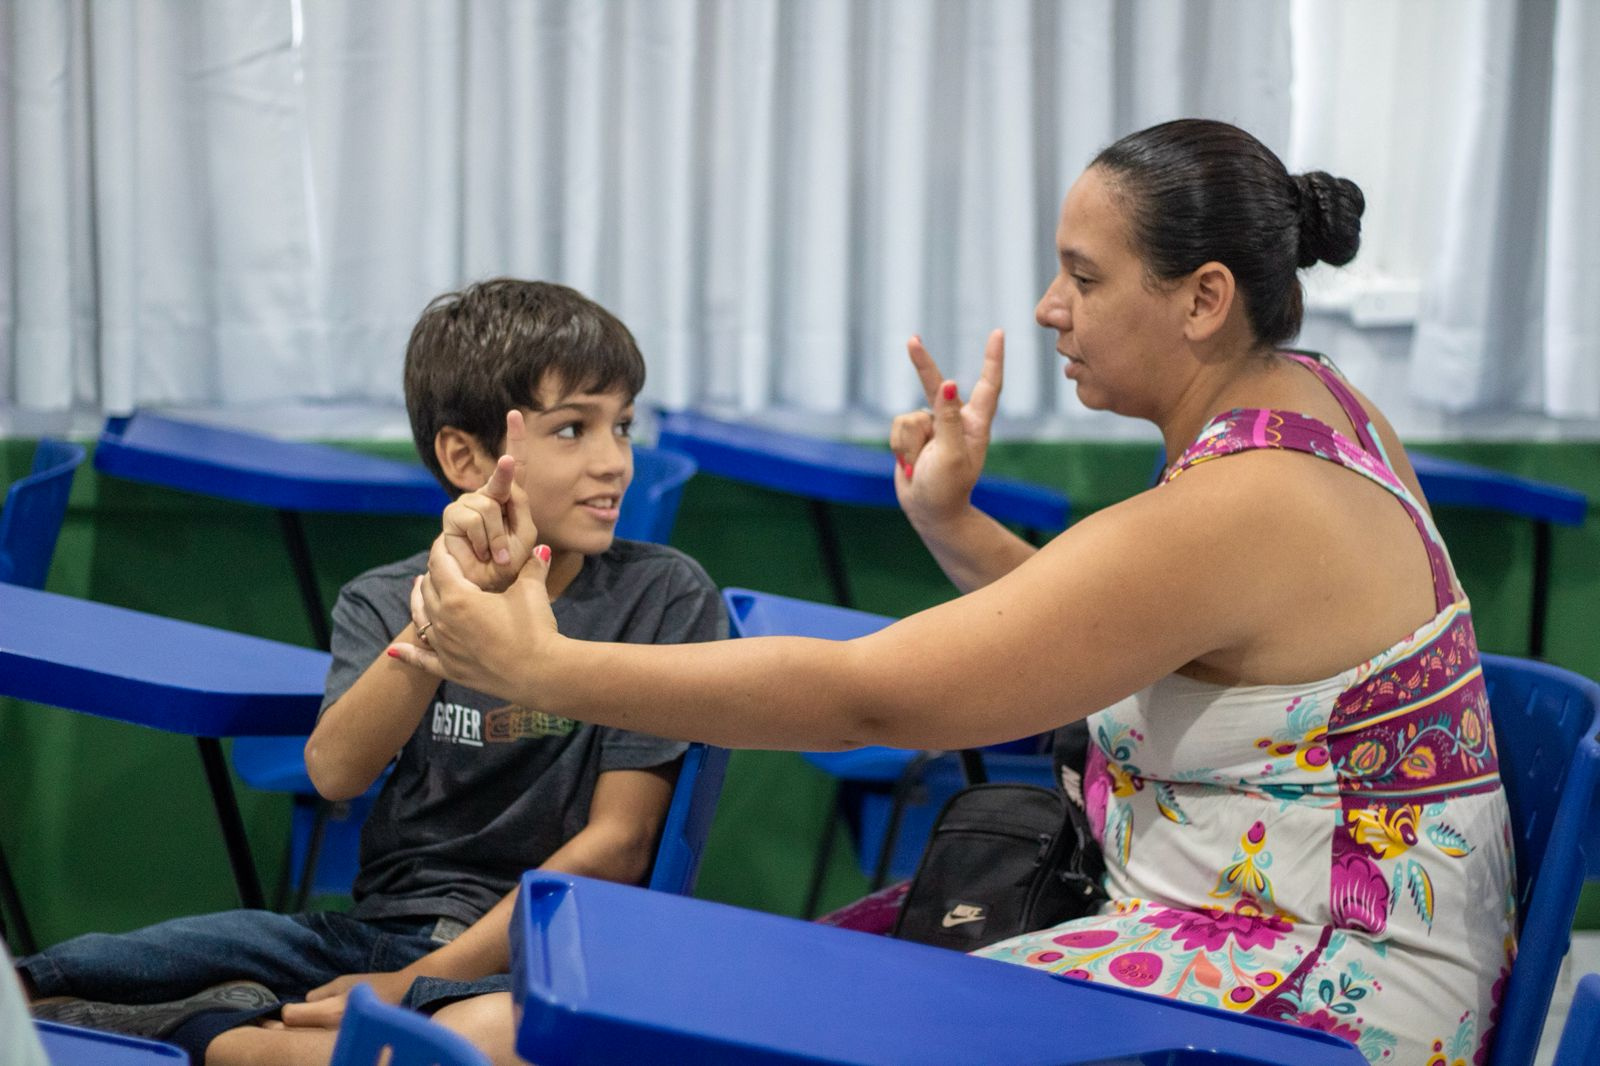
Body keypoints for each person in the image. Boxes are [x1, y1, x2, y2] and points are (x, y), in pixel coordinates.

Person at [397, 121, 1515, 1064]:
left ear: (1203, 298)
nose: (1047, 307)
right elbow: (1112, 636)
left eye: (1083, 276)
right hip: (1259, 927)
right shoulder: (1314, 406)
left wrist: (539, 668)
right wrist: (950, 518)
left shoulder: (1248, 500)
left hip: (1322, 996)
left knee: (771, 1023)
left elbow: (871, 699)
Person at [20, 279, 724, 1066]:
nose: (615, 462)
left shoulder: (664, 595)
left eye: (622, 426)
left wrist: (419, 982)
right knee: (116, 963)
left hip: (542, 953)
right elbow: (335, 773)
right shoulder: (387, 596)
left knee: (485, 1041)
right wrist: (444, 614)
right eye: (573, 430)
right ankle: (224, 1025)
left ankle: (232, 1045)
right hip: (379, 931)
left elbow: (619, 845)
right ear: (466, 457)